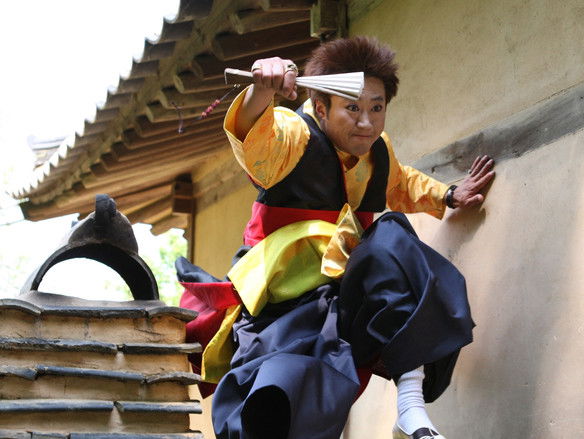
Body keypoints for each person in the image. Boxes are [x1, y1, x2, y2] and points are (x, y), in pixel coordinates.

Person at [177, 36, 494, 439]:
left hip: (343, 295)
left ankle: (410, 408)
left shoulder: (377, 150)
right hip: (281, 302)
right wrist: (262, 91)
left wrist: (448, 195)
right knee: (276, 397)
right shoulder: (294, 136)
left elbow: (401, 184)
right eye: (353, 108)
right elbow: (256, 138)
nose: (367, 122)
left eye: (377, 108)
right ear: (322, 108)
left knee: (391, 240)